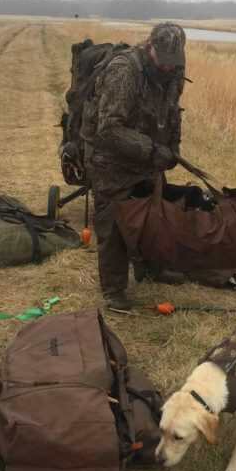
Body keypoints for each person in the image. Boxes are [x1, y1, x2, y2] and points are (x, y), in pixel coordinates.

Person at [81, 22, 187, 310]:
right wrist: (151, 150)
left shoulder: (175, 68)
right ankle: (114, 289)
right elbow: (108, 129)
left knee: (153, 214)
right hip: (109, 158)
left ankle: (152, 268)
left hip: (148, 157)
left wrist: (173, 147)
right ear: (149, 46)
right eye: (163, 60)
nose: (168, 67)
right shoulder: (124, 71)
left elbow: (173, 112)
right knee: (113, 223)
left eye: (173, 61)